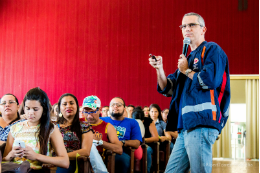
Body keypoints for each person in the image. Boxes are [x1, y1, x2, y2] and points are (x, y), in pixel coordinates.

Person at [149, 12, 230, 173]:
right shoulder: (186, 59)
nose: (187, 28)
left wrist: (186, 70)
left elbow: (210, 80)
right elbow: (168, 87)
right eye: (184, 26)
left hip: (202, 123)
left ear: (203, 29)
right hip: (185, 126)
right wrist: (160, 69)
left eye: (192, 25)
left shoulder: (212, 49)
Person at [3, 87, 69, 170]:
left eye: (35, 109)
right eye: (27, 108)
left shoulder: (51, 129)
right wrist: (12, 154)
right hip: (14, 170)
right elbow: (4, 160)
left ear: (43, 110)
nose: (30, 113)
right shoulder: (15, 128)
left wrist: (36, 156)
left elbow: (65, 162)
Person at [101, 97, 142, 173]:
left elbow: (137, 143)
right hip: (101, 150)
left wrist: (122, 142)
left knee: (122, 160)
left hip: (121, 152)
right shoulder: (102, 120)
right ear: (109, 108)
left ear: (124, 108)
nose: (115, 106)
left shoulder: (132, 122)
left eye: (119, 105)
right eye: (113, 105)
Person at [56, 93, 94, 173]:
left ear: (77, 106)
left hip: (72, 162)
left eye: (71, 103)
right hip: (50, 161)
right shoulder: (52, 127)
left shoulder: (84, 126)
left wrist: (61, 158)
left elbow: (86, 151)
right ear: (59, 108)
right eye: (64, 104)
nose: (68, 106)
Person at [132, 109, 159, 173]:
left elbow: (156, 138)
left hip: (147, 144)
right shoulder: (131, 121)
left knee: (147, 150)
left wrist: (144, 140)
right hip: (134, 144)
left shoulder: (149, 121)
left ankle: (147, 171)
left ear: (143, 120)